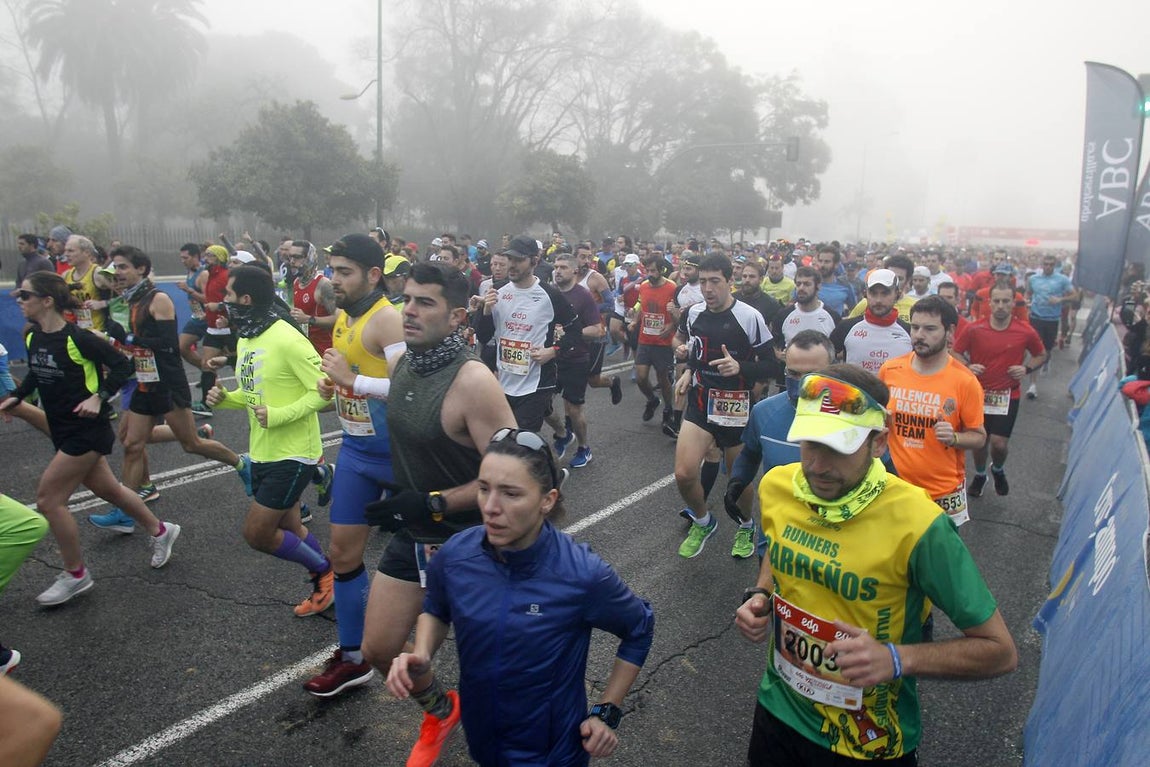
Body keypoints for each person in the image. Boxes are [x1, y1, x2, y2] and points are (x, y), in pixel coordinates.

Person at [735, 364, 1018, 764]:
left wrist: (896, 659)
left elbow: (1000, 651)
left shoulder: (919, 524)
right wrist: (762, 593)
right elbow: (779, 549)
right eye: (810, 443)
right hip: (778, 713)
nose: (817, 465)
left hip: (867, 743)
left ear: (880, 442)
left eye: (839, 447)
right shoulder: (779, 485)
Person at [386, 429, 654, 767]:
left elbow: (639, 627)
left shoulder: (582, 573)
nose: (491, 508)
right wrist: (423, 652)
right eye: (484, 489)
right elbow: (436, 608)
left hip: (552, 754)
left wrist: (606, 711)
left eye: (511, 494)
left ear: (548, 500)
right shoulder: (456, 554)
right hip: (483, 741)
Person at [359, 261, 516, 766]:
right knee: (381, 650)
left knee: (489, 671)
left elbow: (516, 475)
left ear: (456, 316)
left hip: (475, 542)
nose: (409, 311)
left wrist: (434, 500)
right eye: (407, 299)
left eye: (425, 302)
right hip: (417, 534)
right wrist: (401, 493)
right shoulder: (405, 362)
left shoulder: (473, 381)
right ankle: (441, 709)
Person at [0, 272, 182, 606]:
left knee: (49, 500)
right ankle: (160, 530)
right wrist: (17, 397)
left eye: (24, 295)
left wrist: (100, 396)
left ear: (46, 300)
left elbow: (123, 367)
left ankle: (76, 574)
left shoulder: (79, 338)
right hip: (63, 428)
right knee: (108, 489)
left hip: (87, 431)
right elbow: (36, 377)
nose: (19, 301)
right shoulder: (33, 337)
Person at [299, 233, 402, 697]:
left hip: (402, 459)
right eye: (332, 270)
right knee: (343, 554)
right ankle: (355, 657)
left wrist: (351, 379)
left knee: (439, 567)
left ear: (372, 275)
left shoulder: (388, 322)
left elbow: (407, 391)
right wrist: (333, 388)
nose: (333, 280)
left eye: (344, 272)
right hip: (358, 453)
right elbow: (351, 382)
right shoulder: (344, 315)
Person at [86, 247, 250, 533]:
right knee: (132, 444)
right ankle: (125, 510)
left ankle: (241, 464)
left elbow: (165, 344)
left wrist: (121, 337)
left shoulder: (158, 299)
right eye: (116, 268)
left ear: (141, 268)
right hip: (145, 378)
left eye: (124, 267)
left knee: (192, 444)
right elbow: (131, 338)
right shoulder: (132, 299)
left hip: (167, 381)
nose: (119, 273)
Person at [205, 265, 336, 620]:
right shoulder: (247, 336)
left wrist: (278, 416)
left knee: (258, 533)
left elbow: (325, 396)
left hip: (294, 453)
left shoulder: (287, 337)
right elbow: (256, 394)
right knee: (291, 527)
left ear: (245, 300)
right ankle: (324, 584)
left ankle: (326, 573)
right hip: (263, 449)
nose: (224, 302)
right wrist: (227, 398)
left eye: (228, 296)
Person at [673, 254, 774, 559]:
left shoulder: (749, 317)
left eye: (714, 281)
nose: (707, 288)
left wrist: (740, 367)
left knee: (738, 480)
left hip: (736, 408)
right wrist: (689, 369)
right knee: (684, 473)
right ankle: (704, 521)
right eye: (702, 281)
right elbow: (697, 353)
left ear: (730, 281)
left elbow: (772, 365)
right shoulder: (692, 314)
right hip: (701, 402)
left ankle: (745, 525)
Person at [878, 296, 986, 526]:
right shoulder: (890, 370)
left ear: (949, 331)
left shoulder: (965, 381)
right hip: (894, 486)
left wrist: (954, 437)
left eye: (929, 329)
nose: (919, 335)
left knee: (938, 561)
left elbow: (978, 437)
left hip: (942, 492)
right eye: (915, 327)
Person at [724, 330, 836, 553]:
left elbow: (887, 473)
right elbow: (750, 454)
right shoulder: (764, 412)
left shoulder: (856, 420)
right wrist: (736, 483)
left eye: (811, 375)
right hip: (776, 536)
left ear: (832, 371)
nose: (801, 382)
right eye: (793, 373)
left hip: (832, 544)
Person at [475, 235, 583, 431]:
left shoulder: (550, 294)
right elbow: (483, 336)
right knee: (505, 439)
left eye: (519, 260)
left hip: (537, 382)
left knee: (521, 444)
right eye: (510, 259)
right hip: (504, 381)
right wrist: (485, 312)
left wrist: (553, 351)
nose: (512, 265)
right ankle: (559, 439)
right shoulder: (498, 290)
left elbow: (575, 331)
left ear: (534, 261)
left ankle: (554, 447)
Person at [953, 284, 1047, 497]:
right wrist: (968, 366)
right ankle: (979, 474)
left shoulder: (1024, 331)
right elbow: (955, 352)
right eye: (996, 301)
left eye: (1006, 301)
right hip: (978, 394)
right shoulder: (975, 328)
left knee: (999, 444)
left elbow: (1041, 354)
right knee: (980, 441)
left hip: (1008, 394)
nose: (1001, 306)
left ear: (1013, 303)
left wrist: (1026, 368)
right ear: (989, 303)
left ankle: (997, 468)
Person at [546, 253, 605, 468]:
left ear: (574, 271)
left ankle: (583, 447)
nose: (558, 271)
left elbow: (597, 329)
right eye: (555, 267)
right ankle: (562, 434)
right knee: (542, 403)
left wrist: (571, 333)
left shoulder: (583, 296)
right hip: (551, 357)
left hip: (575, 358)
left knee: (574, 408)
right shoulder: (548, 293)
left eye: (562, 267)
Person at [830, 268, 912, 374]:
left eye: (885, 293)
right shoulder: (847, 327)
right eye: (873, 293)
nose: (878, 300)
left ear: (897, 294)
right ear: (865, 294)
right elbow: (824, 358)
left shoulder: (909, 332)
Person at [630, 255, 679, 430]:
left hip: (663, 341)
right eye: (647, 270)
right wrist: (636, 321)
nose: (650, 274)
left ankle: (668, 408)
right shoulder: (643, 286)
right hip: (645, 338)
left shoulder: (672, 288)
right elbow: (643, 306)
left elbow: (677, 311)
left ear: (661, 270)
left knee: (662, 377)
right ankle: (652, 400)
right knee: (641, 378)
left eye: (653, 270)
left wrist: (671, 324)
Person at [1024, 254, 1074, 399]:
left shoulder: (1062, 280)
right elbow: (1028, 293)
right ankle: (1032, 385)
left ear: (1054, 266)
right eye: (1045, 264)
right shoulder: (1034, 279)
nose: (1048, 267)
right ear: (1042, 264)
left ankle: (1046, 359)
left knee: (1047, 350)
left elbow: (1074, 295)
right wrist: (1028, 301)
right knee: (1035, 351)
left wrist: (1060, 299)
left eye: (1051, 264)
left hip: (1052, 319)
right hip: (1036, 318)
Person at [286, 240, 337, 353]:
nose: (292, 261)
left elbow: (339, 319)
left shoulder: (323, 284)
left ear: (309, 258)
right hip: (305, 351)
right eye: (290, 257)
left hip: (325, 351)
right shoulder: (296, 283)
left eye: (297, 257)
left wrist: (308, 319)